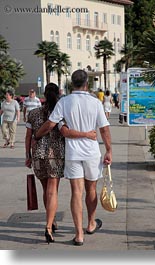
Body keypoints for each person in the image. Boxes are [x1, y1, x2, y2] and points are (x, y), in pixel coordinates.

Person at [35, 70, 112, 246]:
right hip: (92, 152)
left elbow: (50, 124)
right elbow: (104, 129)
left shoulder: (64, 101)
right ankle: (91, 224)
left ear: (72, 84)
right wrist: (109, 150)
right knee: (91, 189)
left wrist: (37, 135)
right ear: (86, 83)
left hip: (73, 153)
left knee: (76, 192)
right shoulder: (95, 102)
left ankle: (79, 235)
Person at [25, 83, 96, 244]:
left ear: (43, 94)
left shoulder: (33, 113)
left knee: (46, 191)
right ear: (58, 94)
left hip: (38, 156)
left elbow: (28, 136)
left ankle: (52, 221)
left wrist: (27, 155)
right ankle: (49, 226)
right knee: (53, 191)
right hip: (55, 156)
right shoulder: (60, 111)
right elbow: (64, 131)